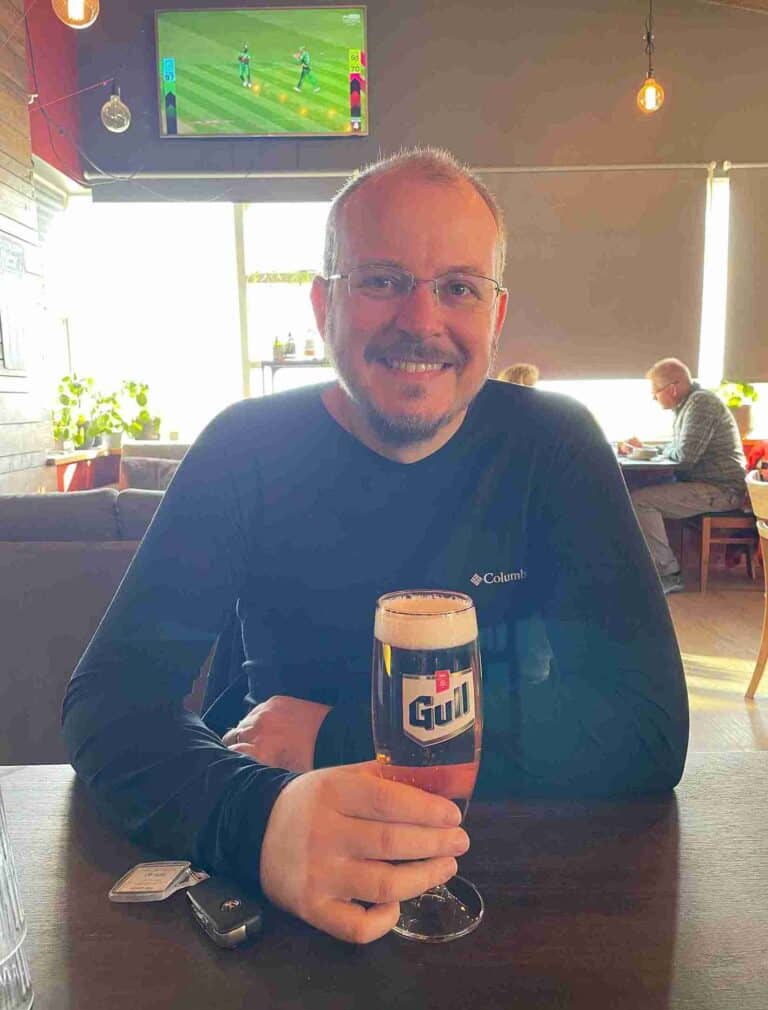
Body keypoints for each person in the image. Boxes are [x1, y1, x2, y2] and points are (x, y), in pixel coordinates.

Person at [62, 148, 688, 946]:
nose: (422, 321)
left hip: (502, 887)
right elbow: (107, 705)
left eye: (458, 287)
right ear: (325, 307)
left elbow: (645, 727)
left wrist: (335, 737)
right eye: (382, 280)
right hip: (270, 875)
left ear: (494, 317)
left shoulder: (553, 445)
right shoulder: (245, 448)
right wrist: (259, 822)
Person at [619, 358, 747, 595]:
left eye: (656, 392)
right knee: (641, 496)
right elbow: (680, 449)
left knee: (640, 501)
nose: (654, 398)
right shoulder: (689, 405)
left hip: (721, 489)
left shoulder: (701, 405)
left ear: (673, 388)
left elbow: (685, 456)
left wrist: (655, 451)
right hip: (707, 485)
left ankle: (669, 572)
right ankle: (654, 567)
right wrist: (647, 449)